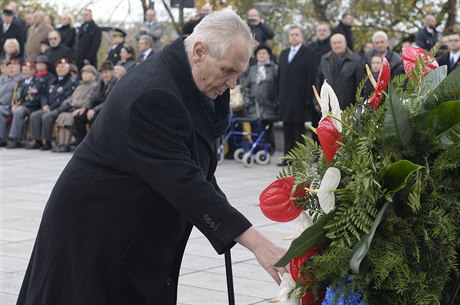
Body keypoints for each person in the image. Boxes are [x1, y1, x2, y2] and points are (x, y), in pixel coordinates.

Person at [16, 10, 287, 305]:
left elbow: (196, 170)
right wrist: (258, 244)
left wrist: (231, 223)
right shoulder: (154, 95)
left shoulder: (186, 76)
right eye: (227, 71)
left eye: (238, 73)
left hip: (128, 226)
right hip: (96, 233)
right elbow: (183, 181)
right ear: (199, 51)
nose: (232, 83)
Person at [277, 26, 319, 166]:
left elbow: (312, 77)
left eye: (296, 34)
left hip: (301, 98)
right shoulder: (284, 53)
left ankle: (299, 159)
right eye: (291, 34)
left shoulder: (309, 53)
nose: (294, 37)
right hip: (285, 98)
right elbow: (280, 76)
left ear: (302, 37)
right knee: (287, 128)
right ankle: (287, 157)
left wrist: (310, 99)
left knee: (298, 130)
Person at [28, 58, 77, 150]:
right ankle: (38, 141)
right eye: (58, 67)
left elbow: (66, 98)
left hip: (60, 108)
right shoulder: (53, 81)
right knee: (34, 115)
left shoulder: (71, 83)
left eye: (62, 67)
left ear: (67, 69)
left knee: (47, 117)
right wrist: (44, 105)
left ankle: (47, 142)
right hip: (48, 107)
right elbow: (44, 95)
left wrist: (51, 107)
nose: (60, 69)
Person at [54, 64, 98, 152]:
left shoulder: (94, 86)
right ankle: (61, 143)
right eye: (83, 73)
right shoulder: (79, 86)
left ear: (93, 74)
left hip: (80, 109)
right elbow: (71, 97)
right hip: (72, 108)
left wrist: (74, 103)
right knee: (63, 115)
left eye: (87, 73)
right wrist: (67, 102)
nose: (84, 75)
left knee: (68, 118)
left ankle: (67, 143)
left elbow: (88, 100)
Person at [72, 60, 118, 145]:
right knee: (79, 116)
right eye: (102, 73)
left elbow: (110, 101)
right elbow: (92, 98)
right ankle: (81, 144)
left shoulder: (116, 83)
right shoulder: (99, 83)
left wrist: (94, 109)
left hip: (109, 109)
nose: (104, 75)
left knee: (94, 118)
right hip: (96, 108)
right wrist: (85, 108)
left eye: (106, 72)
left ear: (112, 72)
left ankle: (96, 144)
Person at [243, 44, 279, 153]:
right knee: (255, 128)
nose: (261, 55)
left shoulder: (275, 68)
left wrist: (276, 102)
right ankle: (257, 149)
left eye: (264, 53)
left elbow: (279, 86)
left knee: (268, 128)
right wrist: (248, 101)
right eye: (259, 53)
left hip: (269, 105)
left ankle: (269, 149)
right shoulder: (253, 69)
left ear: (269, 55)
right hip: (254, 105)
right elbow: (246, 86)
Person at [5, 61, 47, 148]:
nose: (24, 72)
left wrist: (21, 106)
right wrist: (13, 105)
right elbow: (16, 96)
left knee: (19, 111)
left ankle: (15, 138)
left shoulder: (39, 81)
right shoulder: (20, 82)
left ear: (32, 71)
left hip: (33, 107)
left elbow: (41, 97)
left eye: (26, 70)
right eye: (23, 70)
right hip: (21, 105)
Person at [317, 33, 364, 110]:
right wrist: (317, 101)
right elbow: (319, 80)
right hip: (328, 105)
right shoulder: (324, 59)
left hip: (349, 106)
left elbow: (361, 84)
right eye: (334, 43)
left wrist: (359, 105)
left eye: (339, 42)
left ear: (345, 43)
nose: (337, 45)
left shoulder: (356, 60)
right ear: (331, 45)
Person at [0, 59, 22, 147]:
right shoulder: (2, 78)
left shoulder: (21, 79)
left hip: (12, 105)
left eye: (13, 67)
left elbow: (19, 95)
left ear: (18, 68)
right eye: (9, 67)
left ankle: (3, 138)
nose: (11, 69)